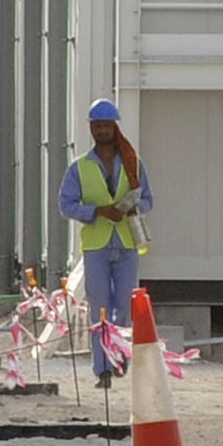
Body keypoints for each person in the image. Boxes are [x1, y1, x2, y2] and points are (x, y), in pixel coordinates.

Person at [58, 99, 153, 389]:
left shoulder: (133, 162)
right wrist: (98, 211)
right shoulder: (80, 168)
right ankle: (103, 369)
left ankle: (119, 357)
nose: (103, 131)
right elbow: (66, 205)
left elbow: (148, 199)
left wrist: (130, 209)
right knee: (99, 305)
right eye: (98, 126)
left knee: (124, 304)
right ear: (91, 128)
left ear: (115, 127)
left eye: (107, 125)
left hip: (126, 241)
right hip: (97, 244)